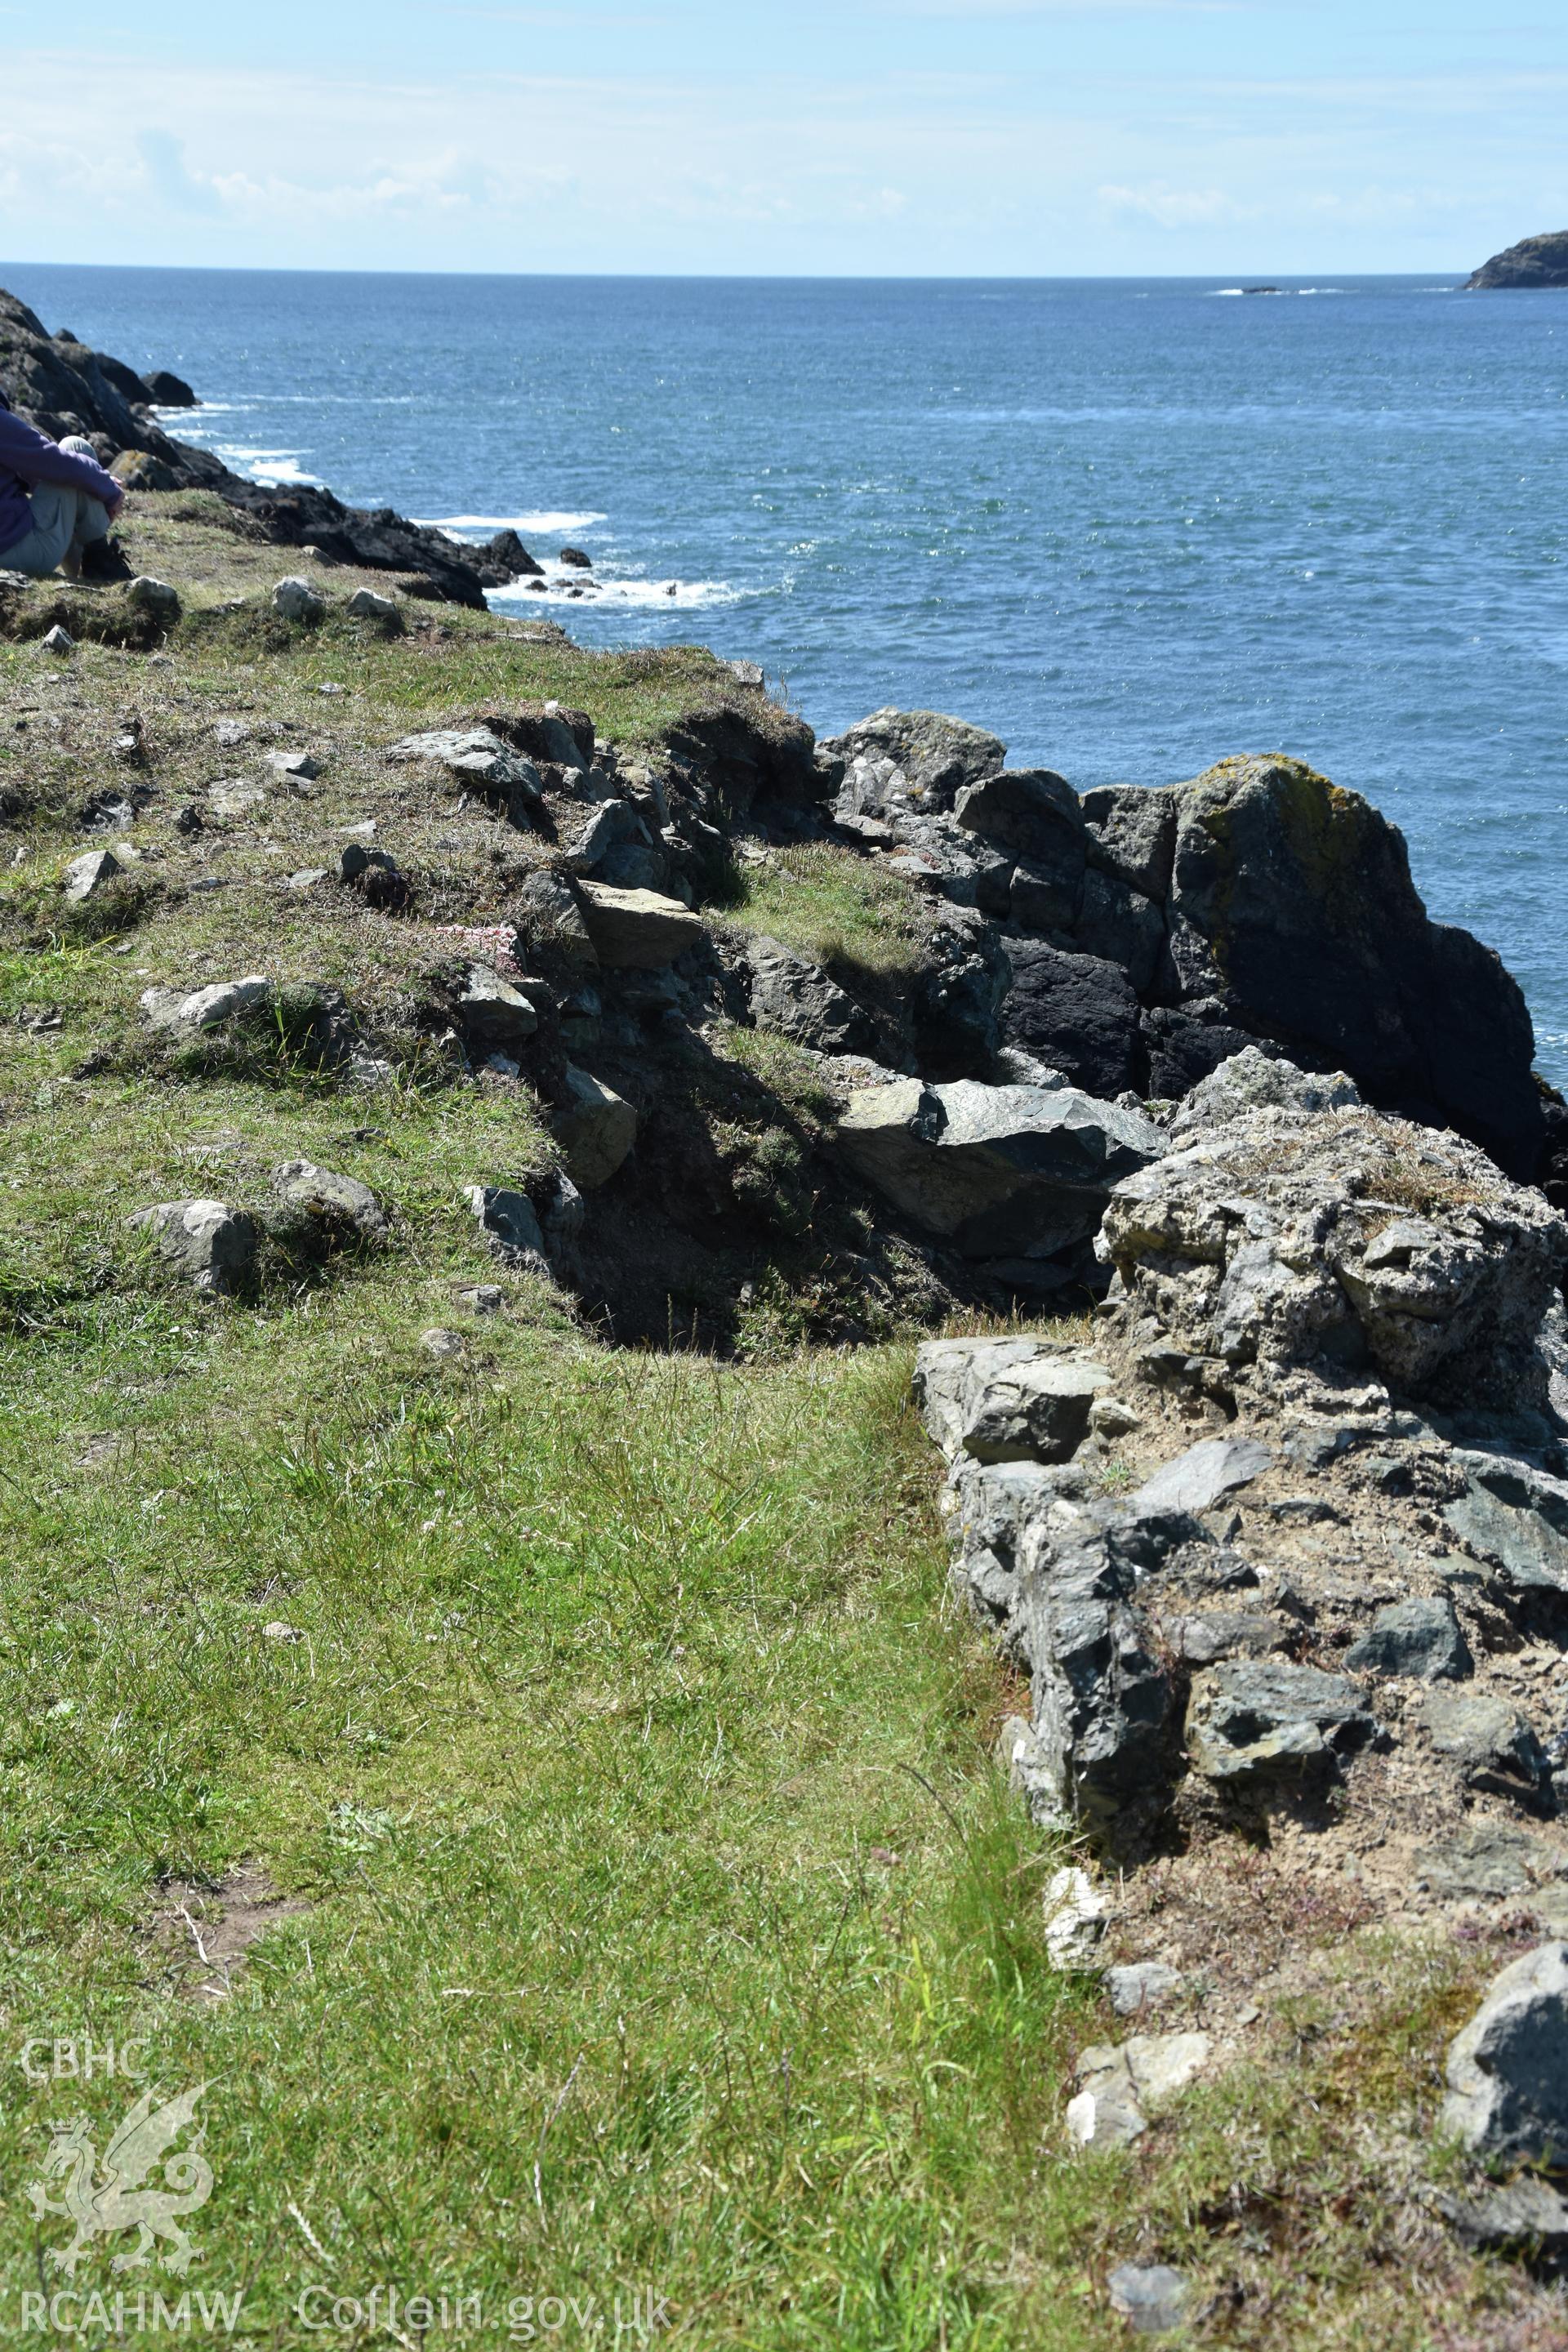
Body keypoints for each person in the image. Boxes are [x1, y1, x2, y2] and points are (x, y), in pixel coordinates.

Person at [0, 392, 128, 581]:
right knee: (76, 457)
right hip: (17, 555)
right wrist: (108, 489)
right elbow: (51, 460)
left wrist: (97, 481)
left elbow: (27, 465)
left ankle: (94, 560)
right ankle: (99, 559)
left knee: (74, 452)